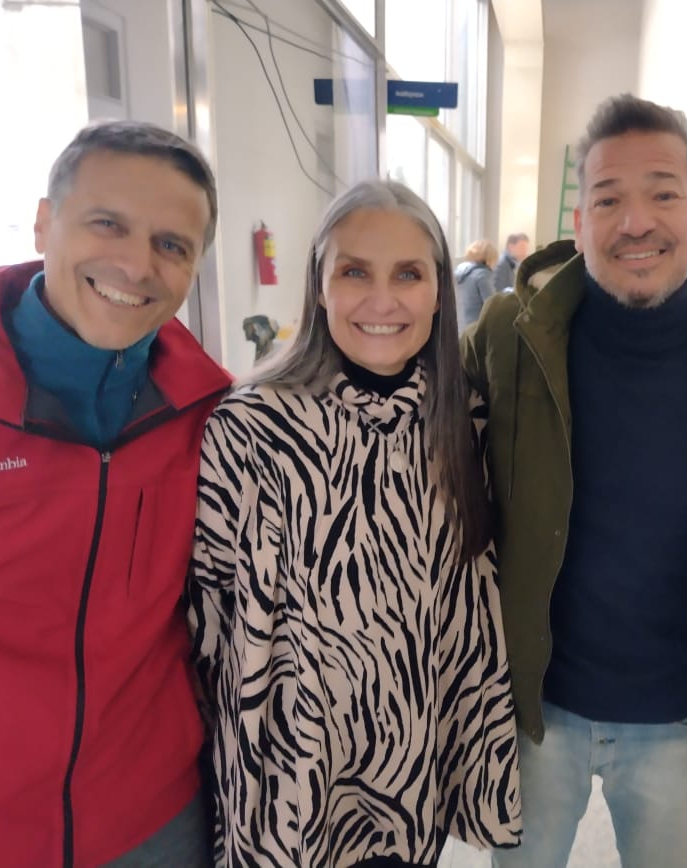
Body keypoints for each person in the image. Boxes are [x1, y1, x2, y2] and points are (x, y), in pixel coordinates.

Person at [462, 93, 687, 867]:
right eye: (608, 199)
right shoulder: (509, 339)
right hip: (533, 705)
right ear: (579, 221)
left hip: (681, 717)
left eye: (663, 194)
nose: (635, 221)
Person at [189, 179, 522, 867]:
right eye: (354, 272)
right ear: (318, 285)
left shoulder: (464, 424)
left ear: (440, 290)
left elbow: (470, 609)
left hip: (411, 776)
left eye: (408, 274)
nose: (382, 300)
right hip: (289, 782)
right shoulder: (252, 429)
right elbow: (208, 617)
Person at [0, 121, 229, 866]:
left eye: (171, 244)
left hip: (156, 821)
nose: (136, 264)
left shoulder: (211, 415)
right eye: (108, 224)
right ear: (43, 223)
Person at [455, 238, 499, 329]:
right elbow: (492, 305)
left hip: (459, 327)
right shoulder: (483, 275)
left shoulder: (458, 273)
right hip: (477, 328)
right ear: (491, 257)